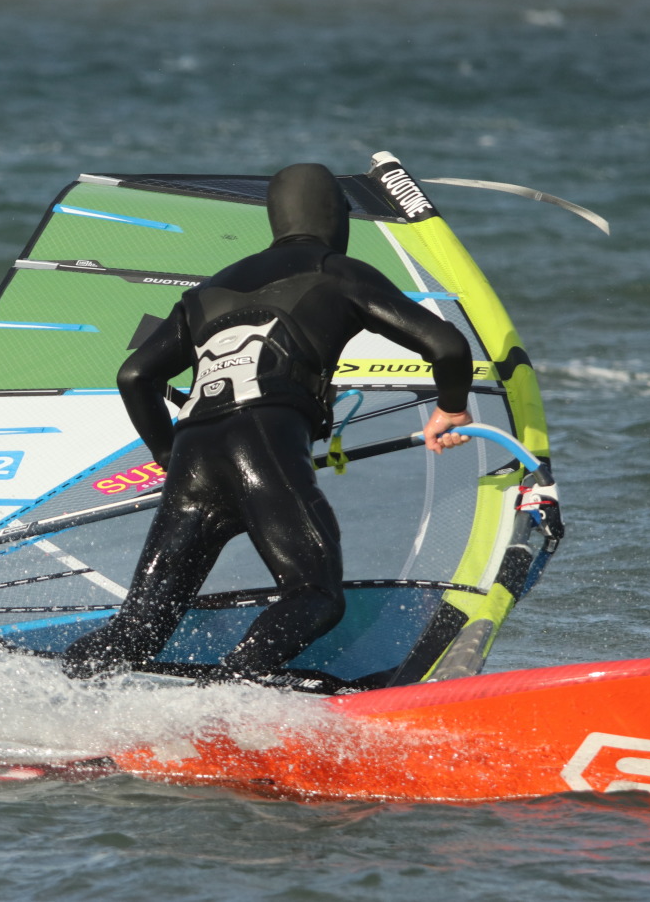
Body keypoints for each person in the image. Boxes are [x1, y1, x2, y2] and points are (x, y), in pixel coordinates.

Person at [59, 162, 475, 683]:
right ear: (336, 216)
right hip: (263, 439)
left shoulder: (206, 291)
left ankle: (59, 692)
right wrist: (451, 408)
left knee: (142, 625)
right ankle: (236, 688)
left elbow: (135, 375)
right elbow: (447, 345)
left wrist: (169, 456)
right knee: (315, 595)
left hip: (193, 449)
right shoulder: (338, 271)